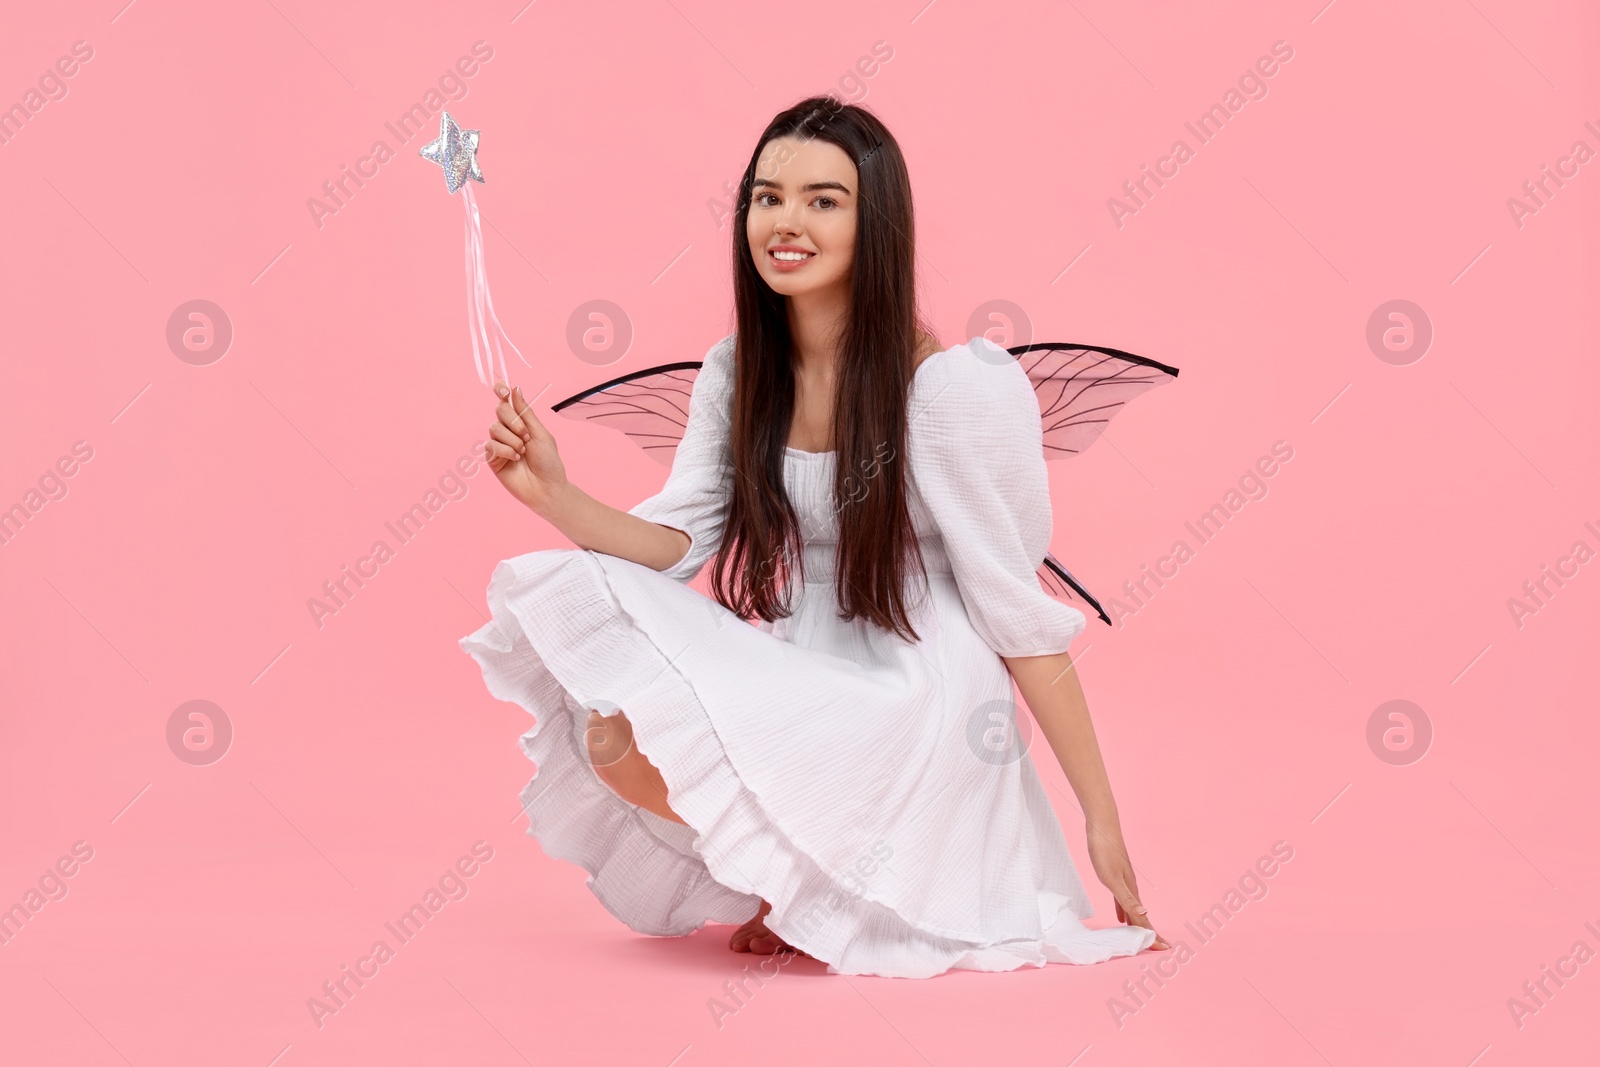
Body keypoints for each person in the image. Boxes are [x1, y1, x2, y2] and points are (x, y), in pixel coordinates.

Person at [459, 95, 1169, 978]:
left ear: (876, 224)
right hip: (810, 655)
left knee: (752, 731)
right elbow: (677, 542)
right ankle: (804, 890)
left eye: (824, 200)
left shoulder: (949, 390)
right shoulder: (738, 371)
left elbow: (1017, 613)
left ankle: (825, 897)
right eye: (768, 197)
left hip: (926, 684)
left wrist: (1099, 817)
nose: (786, 222)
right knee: (615, 727)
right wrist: (555, 497)